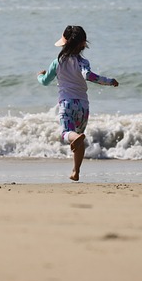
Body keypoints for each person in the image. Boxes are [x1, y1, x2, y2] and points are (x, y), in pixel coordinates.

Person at [37, 25, 119, 181]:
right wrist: (109, 81)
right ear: (83, 43)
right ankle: (76, 171)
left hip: (67, 104)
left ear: (64, 43)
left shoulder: (58, 62)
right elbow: (89, 76)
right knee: (79, 141)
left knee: (66, 134)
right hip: (83, 107)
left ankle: (75, 139)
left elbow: (45, 81)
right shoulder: (83, 62)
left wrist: (40, 76)